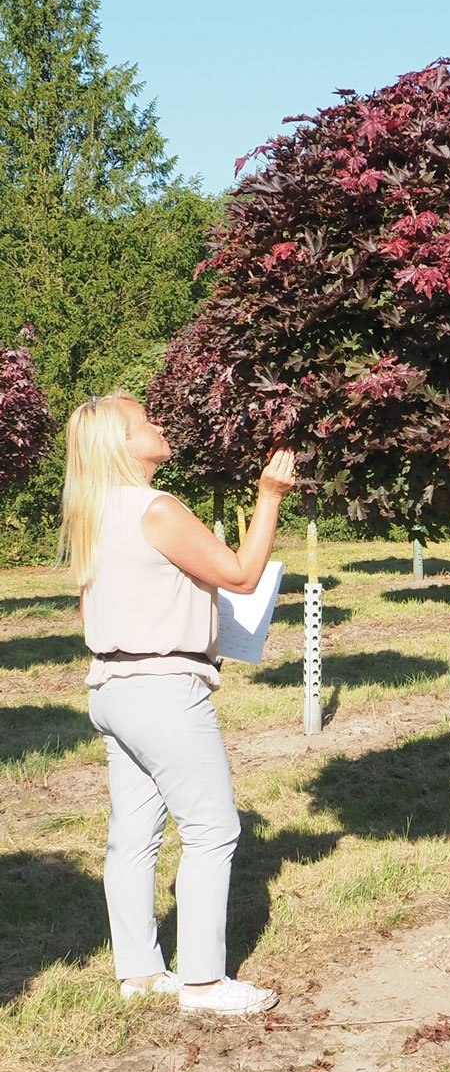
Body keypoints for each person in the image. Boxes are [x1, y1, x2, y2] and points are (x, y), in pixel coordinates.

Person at [59, 391, 295, 1015]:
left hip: (112, 687)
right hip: (164, 689)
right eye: (146, 421)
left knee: (133, 836)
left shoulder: (94, 513)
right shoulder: (156, 509)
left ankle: (139, 972)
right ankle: (203, 983)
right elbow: (241, 574)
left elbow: (95, 608)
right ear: (123, 444)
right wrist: (268, 497)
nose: (158, 425)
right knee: (213, 828)